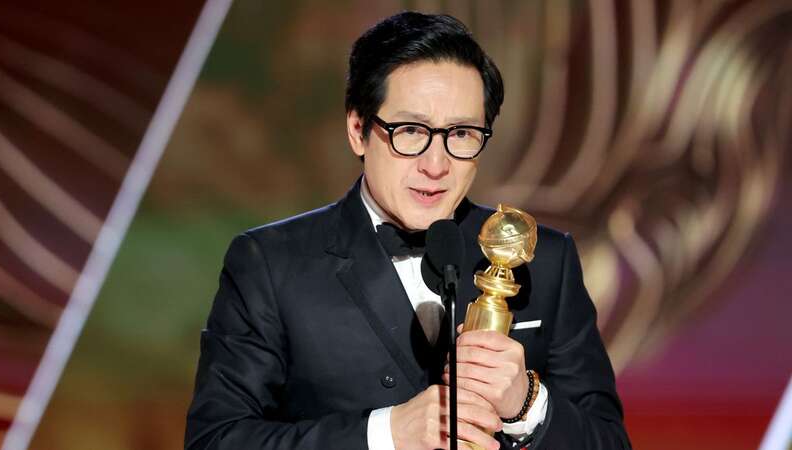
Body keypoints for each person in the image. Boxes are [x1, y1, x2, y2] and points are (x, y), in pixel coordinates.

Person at [185, 11, 631, 450]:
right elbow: (216, 440)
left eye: (460, 134)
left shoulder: (544, 260)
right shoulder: (269, 264)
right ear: (358, 130)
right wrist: (387, 433)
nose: (435, 165)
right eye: (410, 130)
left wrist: (528, 406)